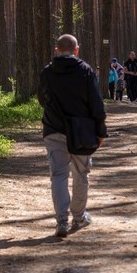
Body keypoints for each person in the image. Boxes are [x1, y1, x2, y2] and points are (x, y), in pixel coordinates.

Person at [37, 34, 107, 237]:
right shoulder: (85, 70)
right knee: (81, 173)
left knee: (58, 175)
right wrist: (100, 130)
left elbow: (42, 98)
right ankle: (79, 216)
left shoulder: (48, 72)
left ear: (56, 50)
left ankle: (61, 221)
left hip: (54, 129)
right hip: (82, 131)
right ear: (76, 50)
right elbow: (96, 103)